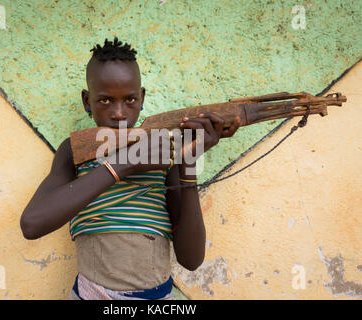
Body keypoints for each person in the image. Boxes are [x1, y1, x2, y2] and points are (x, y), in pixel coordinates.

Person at [20, 37, 240, 300]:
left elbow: (191, 259)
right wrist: (124, 165)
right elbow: (32, 224)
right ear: (86, 101)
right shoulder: (75, 151)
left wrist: (188, 162)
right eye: (105, 101)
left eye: (130, 100)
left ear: (142, 98)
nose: (119, 113)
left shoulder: (163, 155)